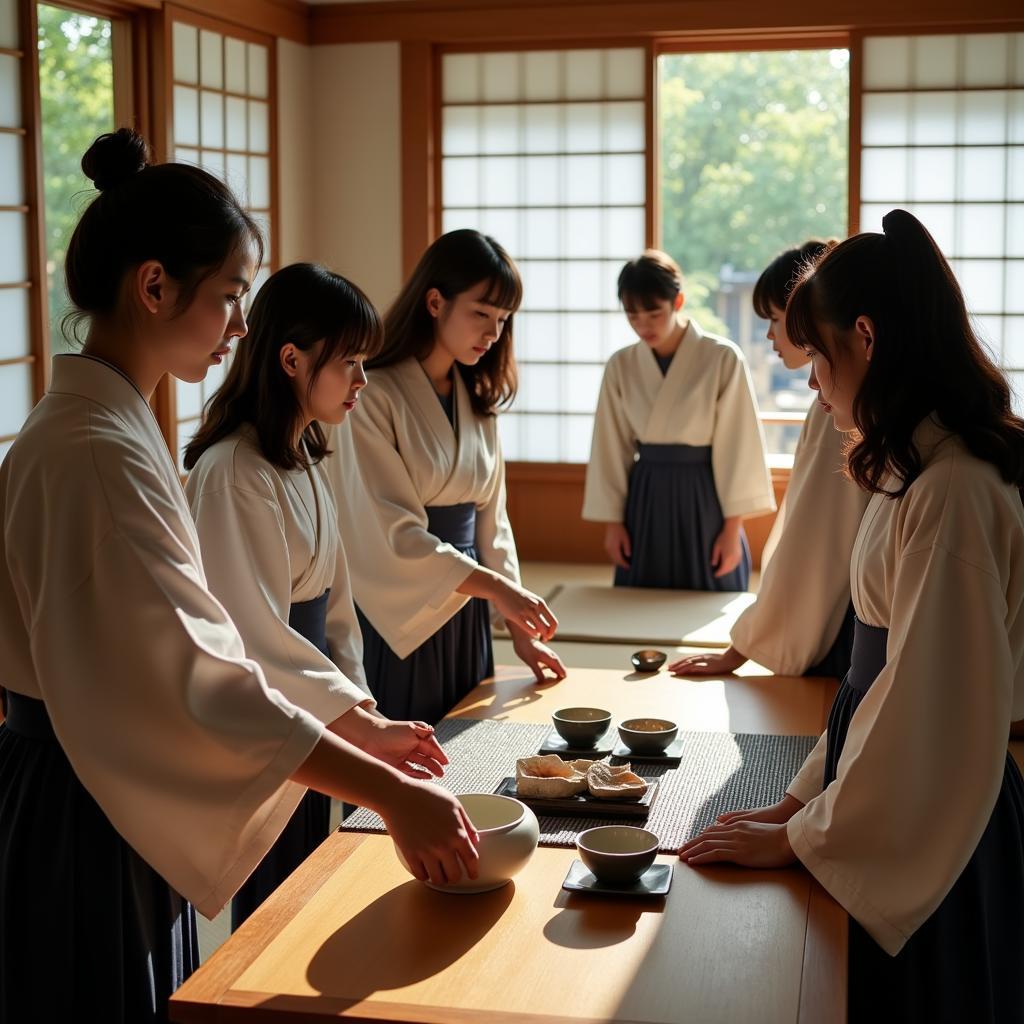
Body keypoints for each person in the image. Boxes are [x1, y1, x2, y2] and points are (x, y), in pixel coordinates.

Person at [0, 130, 477, 1022]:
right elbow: (203, 674)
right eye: (227, 296)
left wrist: (358, 730)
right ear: (154, 286)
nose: (239, 326)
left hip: (114, 777)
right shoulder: (96, 451)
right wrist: (387, 791)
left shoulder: (107, 432)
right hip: (88, 795)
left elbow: (214, 652)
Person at [678, 209, 1024, 1021]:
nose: (810, 381)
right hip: (887, 779)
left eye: (816, 357)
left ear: (864, 338)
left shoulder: (955, 488)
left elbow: (924, 708)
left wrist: (804, 835)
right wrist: (801, 801)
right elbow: (879, 693)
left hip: (933, 810)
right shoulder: (918, 464)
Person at [184, 263, 414, 929]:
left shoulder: (306, 453)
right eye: (350, 363)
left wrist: (361, 711)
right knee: (275, 911)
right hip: (272, 715)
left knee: (315, 889)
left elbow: (337, 609)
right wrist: (353, 721)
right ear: (292, 359)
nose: (363, 383)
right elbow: (253, 638)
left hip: (316, 705)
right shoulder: (231, 471)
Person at [327, 229, 565, 724]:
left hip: (468, 609)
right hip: (404, 610)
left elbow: (491, 522)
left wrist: (519, 628)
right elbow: (388, 531)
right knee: (406, 766)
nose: (493, 332)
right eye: (481, 313)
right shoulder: (373, 395)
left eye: (502, 320)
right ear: (435, 302)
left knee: (469, 755)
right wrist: (497, 589)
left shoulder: (475, 396)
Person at [670, 239, 869, 680]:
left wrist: (742, 647)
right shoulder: (847, 396)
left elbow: (813, 539)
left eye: (776, 320)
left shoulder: (837, 407)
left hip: (849, 618)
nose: (771, 336)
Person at [582, 249, 775, 591]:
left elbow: (738, 445)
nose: (643, 325)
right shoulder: (621, 365)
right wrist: (613, 523)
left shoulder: (722, 358)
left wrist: (732, 530)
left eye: (653, 313)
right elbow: (609, 446)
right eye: (632, 315)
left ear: (678, 301)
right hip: (645, 497)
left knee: (708, 595)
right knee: (640, 602)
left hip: (705, 497)